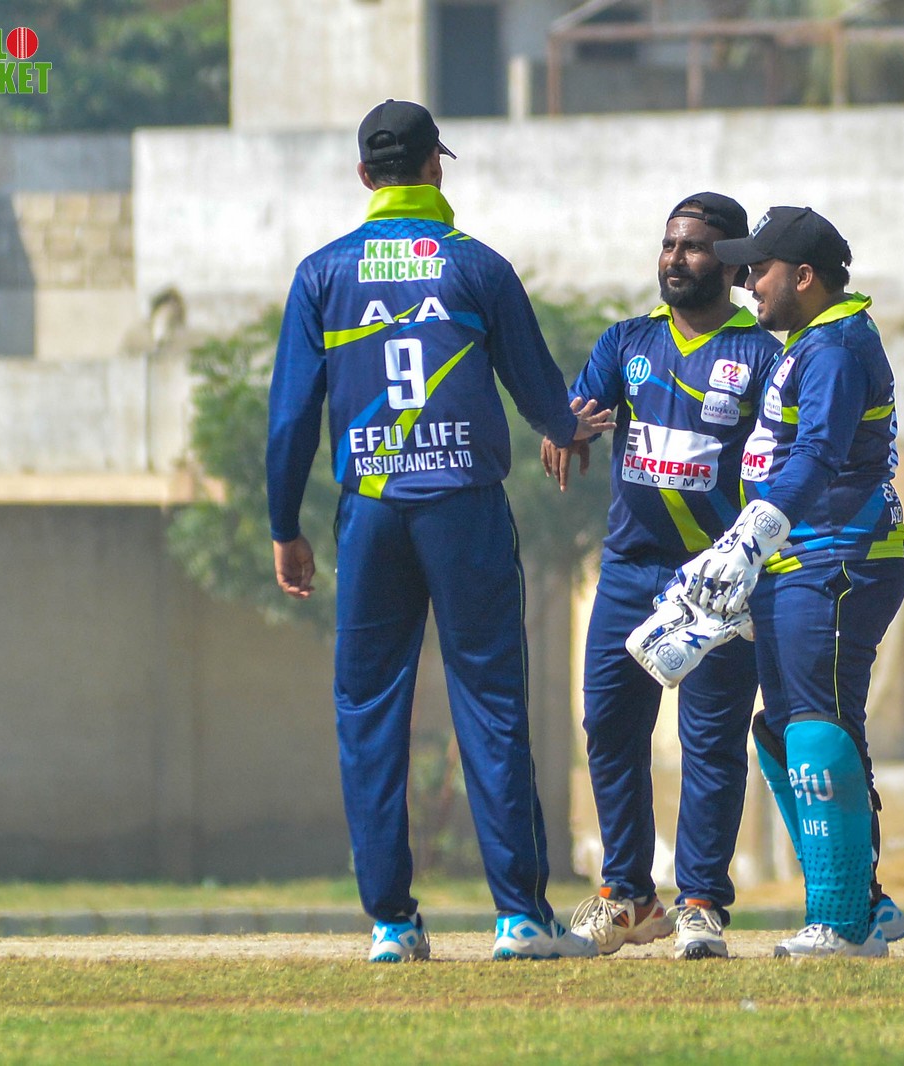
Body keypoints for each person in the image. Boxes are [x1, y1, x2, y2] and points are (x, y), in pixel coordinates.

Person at [265, 99, 612, 963]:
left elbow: (291, 419)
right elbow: (539, 389)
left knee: (368, 709)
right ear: (435, 167)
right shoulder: (477, 267)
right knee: (489, 700)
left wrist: (284, 525)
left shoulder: (321, 275)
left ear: (363, 175)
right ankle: (520, 918)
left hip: (371, 513)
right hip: (464, 509)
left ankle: (391, 923)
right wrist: (567, 426)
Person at [541, 193, 780, 959]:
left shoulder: (763, 355)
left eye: (695, 246)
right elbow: (579, 406)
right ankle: (628, 896)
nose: (676, 258)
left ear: (732, 262)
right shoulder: (628, 341)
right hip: (629, 569)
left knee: (709, 740)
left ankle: (701, 902)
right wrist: (566, 427)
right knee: (610, 726)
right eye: (670, 244)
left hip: (716, 580)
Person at [680, 206, 904, 958]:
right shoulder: (813, 341)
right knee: (785, 732)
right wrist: (748, 553)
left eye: (759, 270)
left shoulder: (836, 349)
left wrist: (751, 536)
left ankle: (840, 922)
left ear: (803, 276)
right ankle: (865, 907)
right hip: (800, 559)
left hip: (839, 558)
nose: (746, 283)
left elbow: (817, 452)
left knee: (817, 726)